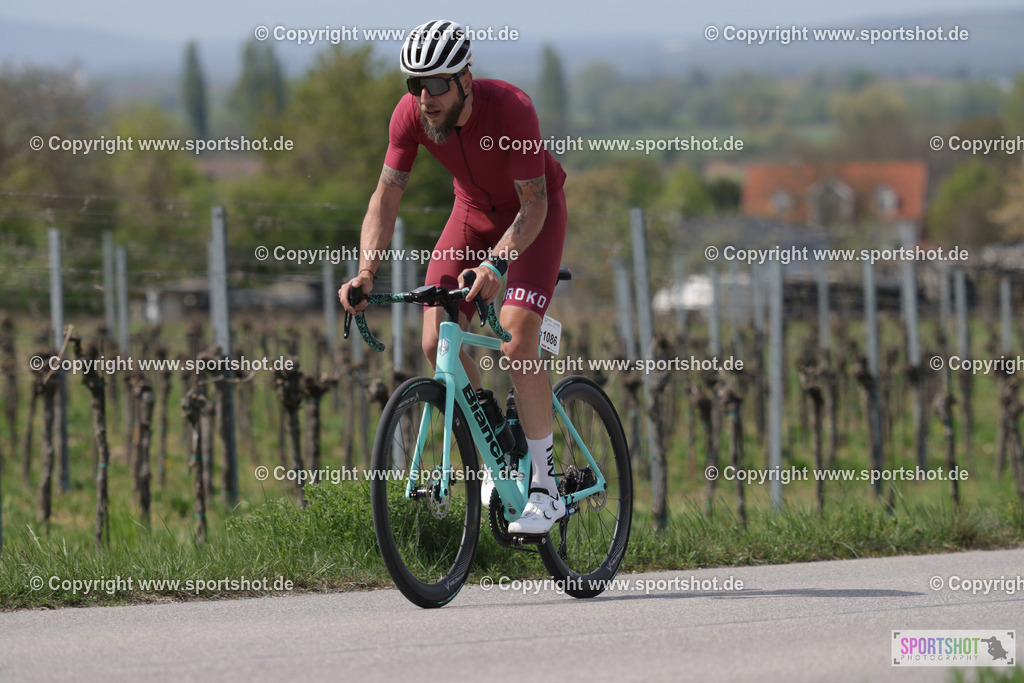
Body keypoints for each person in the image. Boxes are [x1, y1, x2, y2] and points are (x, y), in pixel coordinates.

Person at [339, 19, 568, 534]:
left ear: (466, 78)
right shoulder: (410, 116)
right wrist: (366, 272)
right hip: (470, 214)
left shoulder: (513, 108)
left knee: (516, 340)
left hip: (531, 218)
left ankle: (546, 488)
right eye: (414, 85)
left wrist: (499, 262)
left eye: (436, 84)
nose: (425, 97)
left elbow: (534, 204)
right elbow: (385, 198)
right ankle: (494, 454)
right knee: (435, 341)